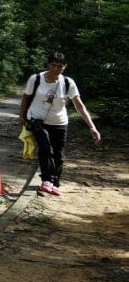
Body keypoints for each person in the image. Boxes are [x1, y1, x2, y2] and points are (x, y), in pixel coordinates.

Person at [19, 52, 101, 196]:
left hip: (60, 122)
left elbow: (79, 106)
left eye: (60, 66)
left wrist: (92, 127)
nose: (56, 69)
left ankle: (55, 183)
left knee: (58, 154)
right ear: (48, 65)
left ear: (65, 67)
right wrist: (22, 115)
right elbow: (26, 98)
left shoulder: (68, 83)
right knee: (45, 148)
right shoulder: (36, 79)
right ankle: (46, 180)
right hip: (37, 119)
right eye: (53, 65)